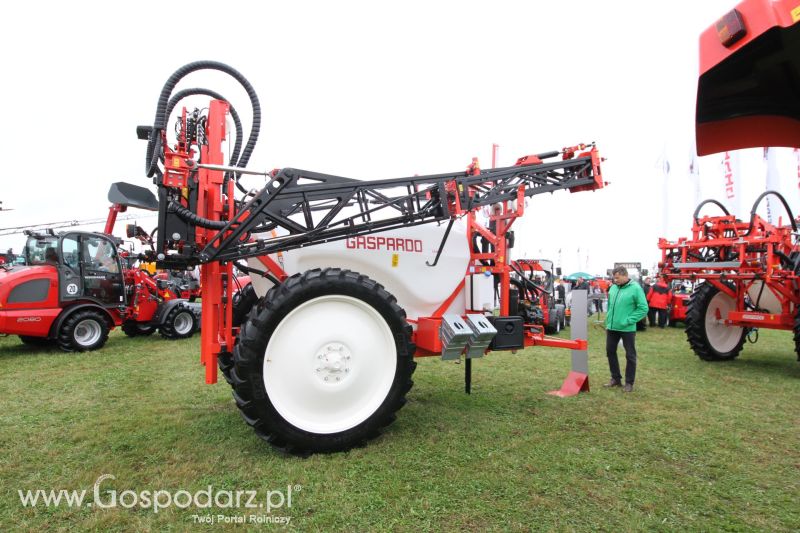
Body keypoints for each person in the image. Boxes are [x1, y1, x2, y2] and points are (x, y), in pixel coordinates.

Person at [604, 265, 649, 393]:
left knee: (630, 355)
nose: (615, 280)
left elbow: (643, 308)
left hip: (627, 329)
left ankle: (629, 383)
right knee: (610, 352)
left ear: (625, 275)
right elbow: (610, 306)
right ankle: (615, 378)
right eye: (614, 278)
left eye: (617, 278)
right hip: (612, 327)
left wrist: (629, 320)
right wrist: (608, 322)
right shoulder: (613, 288)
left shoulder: (635, 288)